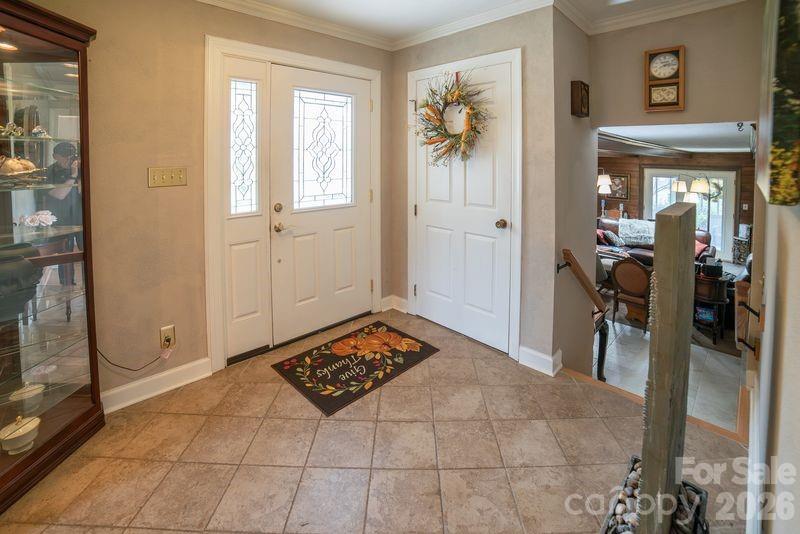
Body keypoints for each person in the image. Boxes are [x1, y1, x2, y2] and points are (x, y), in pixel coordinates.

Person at [36, 142, 83, 285]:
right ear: (55, 156)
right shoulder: (49, 172)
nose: (68, 159)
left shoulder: (79, 168)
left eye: (71, 156)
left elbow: (84, 192)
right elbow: (59, 194)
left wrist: (80, 173)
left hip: (80, 216)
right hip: (61, 219)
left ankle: (88, 282)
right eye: (64, 156)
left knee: (86, 251)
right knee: (65, 253)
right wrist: (73, 176)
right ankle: (67, 285)